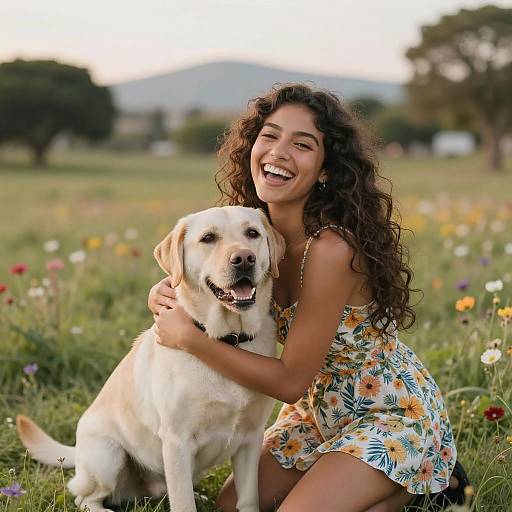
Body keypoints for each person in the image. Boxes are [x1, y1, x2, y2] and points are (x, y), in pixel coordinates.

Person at [148, 84, 467, 512]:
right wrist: (166, 290)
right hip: (317, 412)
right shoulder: (251, 233)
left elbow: (290, 381)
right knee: (231, 507)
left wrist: (190, 340)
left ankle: (424, 483)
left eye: (302, 144)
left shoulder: (331, 250)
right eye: (269, 136)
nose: (279, 152)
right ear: (252, 147)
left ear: (325, 170)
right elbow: (199, 276)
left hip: (388, 413)